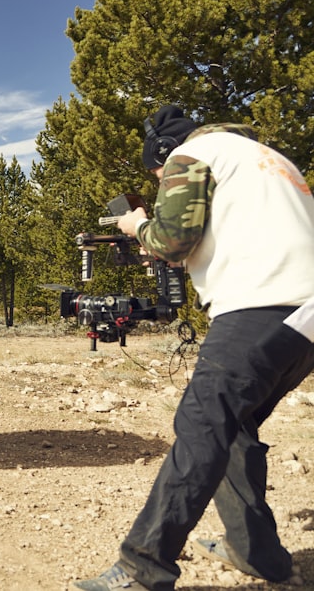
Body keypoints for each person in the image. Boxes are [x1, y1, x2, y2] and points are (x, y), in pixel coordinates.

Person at [73, 105, 314, 591]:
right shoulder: (268, 158)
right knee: (234, 427)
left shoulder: (191, 154)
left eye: (156, 173)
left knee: (202, 425)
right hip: (303, 317)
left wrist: (138, 226)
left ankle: (143, 567)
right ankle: (259, 555)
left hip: (260, 304)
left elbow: (173, 237)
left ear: (164, 153)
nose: (161, 180)